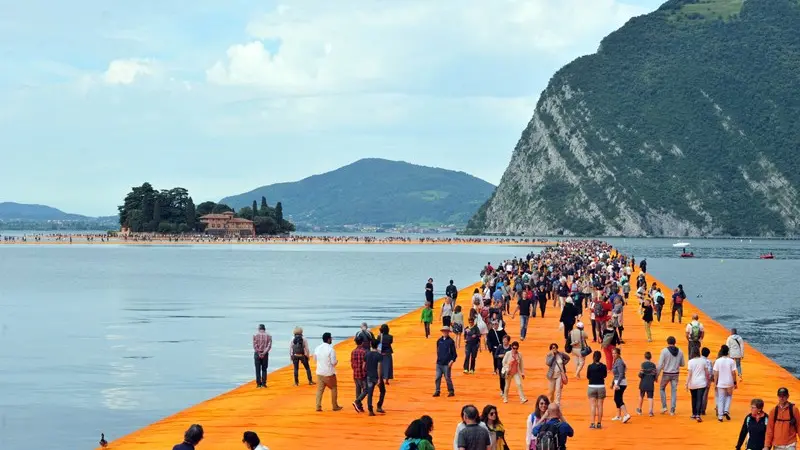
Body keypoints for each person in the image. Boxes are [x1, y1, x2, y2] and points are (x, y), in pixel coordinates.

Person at [354, 338, 386, 415]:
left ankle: (370, 410)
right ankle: (379, 406)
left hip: (369, 376)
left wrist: (366, 372)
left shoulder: (367, 354)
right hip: (376, 376)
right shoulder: (379, 355)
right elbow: (379, 367)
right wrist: (379, 378)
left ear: (371, 345)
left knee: (370, 393)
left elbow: (363, 366)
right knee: (382, 391)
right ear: (377, 346)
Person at [313, 332, 343, 412]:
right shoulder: (331, 349)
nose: (332, 339)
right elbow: (333, 362)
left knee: (320, 390)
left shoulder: (317, 348)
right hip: (329, 373)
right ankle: (334, 405)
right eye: (331, 338)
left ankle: (318, 406)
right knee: (333, 388)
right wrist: (336, 362)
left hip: (319, 372)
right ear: (328, 339)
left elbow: (314, 359)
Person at [656, 336, 685, 415]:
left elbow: (660, 365)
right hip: (675, 374)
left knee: (662, 388)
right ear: (675, 342)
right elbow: (682, 364)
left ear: (667, 342)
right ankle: (672, 410)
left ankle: (664, 406)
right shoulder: (680, 351)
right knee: (673, 391)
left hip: (666, 374)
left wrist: (656, 375)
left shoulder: (664, 351)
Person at [713, 344, 738, 422]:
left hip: (720, 382)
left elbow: (716, 373)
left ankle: (720, 417)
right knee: (729, 396)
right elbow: (733, 372)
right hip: (729, 382)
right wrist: (735, 382)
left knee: (721, 399)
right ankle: (726, 410)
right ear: (728, 352)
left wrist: (715, 383)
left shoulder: (718, 361)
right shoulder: (731, 361)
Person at [686, 347, 709, 422]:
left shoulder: (690, 362)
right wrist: (708, 381)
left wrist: (687, 383)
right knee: (700, 398)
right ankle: (698, 415)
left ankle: (694, 413)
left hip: (693, 383)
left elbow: (689, 374)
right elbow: (706, 372)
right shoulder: (703, 361)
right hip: (701, 382)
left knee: (694, 398)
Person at [586, 350, 608, 429]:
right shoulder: (603, 366)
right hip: (601, 386)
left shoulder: (590, 366)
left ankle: (592, 423)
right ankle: (599, 423)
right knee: (600, 406)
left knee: (593, 406)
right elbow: (605, 375)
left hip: (592, 386)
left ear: (593, 357)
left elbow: (588, 376)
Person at [434, 325, 457, 398]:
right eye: (443, 331)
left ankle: (451, 391)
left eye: (446, 331)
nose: (444, 332)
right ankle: (437, 391)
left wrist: (452, 361)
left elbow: (454, 354)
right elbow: (438, 351)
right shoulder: (439, 341)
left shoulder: (451, 341)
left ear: (448, 332)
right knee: (437, 377)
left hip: (447, 364)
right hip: (439, 363)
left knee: (447, 378)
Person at [611, 347, 632, 423]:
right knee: (617, 398)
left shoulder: (619, 362)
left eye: (615, 353)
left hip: (621, 383)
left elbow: (621, 374)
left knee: (618, 399)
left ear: (618, 354)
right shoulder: (616, 361)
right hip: (619, 382)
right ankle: (618, 416)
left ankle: (626, 414)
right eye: (613, 353)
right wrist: (613, 382)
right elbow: (616, 375)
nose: (613, 355)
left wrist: (617, 384)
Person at [636, 351, 657, 417]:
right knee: (650, 397)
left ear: (645, 357)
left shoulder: (643, 364)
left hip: (643, 382)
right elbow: (654, 374)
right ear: (650, 357)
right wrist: (654, 379)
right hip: (650, 383)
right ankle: (650, 411)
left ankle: (639, 409)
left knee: (641, 395)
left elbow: (641, 374)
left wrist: (639, 375)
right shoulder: (653, 365)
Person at [350, 336, 367, 411]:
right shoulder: (364, 352)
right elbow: (365, 364)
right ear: (362, 342)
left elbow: (352, 363)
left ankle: (359, 406)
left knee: (358, 390)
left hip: (355, 373)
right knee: (366, 390)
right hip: (362, 374)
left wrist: (354, 369)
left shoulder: (353, 351)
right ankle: (357, 401)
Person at [253, 324, 272, 388]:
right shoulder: (269, 336)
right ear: (264, 329)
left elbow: (255, 345)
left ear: (259, 329)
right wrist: (264, 353)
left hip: (257, 354)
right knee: (264, 369)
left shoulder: (255, 335)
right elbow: (269, 346)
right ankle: (264, 384)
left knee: (257, 369)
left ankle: (258, 384)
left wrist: (259, 353)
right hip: (265, 354)